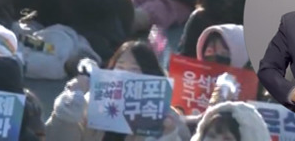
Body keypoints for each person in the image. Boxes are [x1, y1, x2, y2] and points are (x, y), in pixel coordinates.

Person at [46, 40, 190, 141]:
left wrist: (167, 134)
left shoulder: (168, 118)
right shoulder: (89, 103)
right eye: (120, 67)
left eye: (135, 70)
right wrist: (71, 102)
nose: (124, 75)